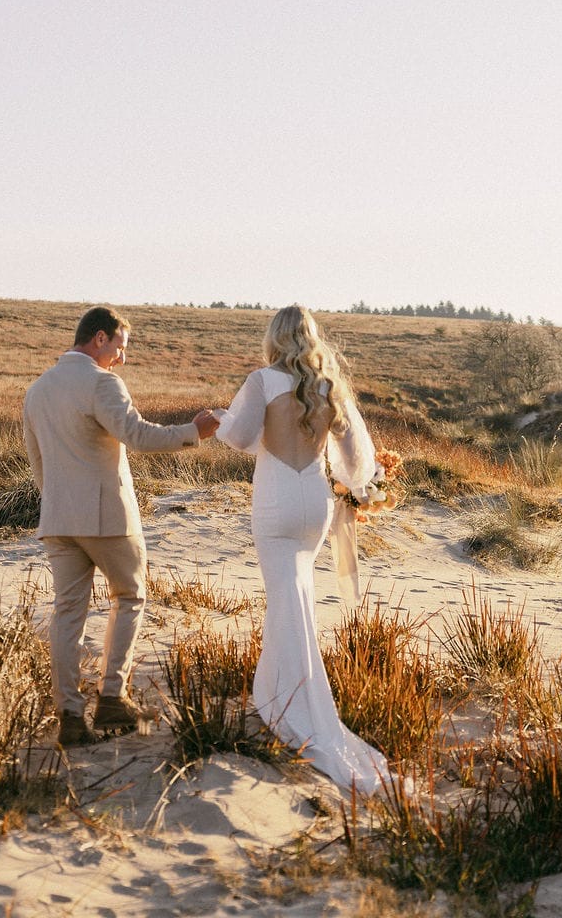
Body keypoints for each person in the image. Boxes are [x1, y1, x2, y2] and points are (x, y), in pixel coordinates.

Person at [213, 304, 395, 795]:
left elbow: (237, 436)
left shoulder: (261, 380)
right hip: (314, 501)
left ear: (274, 336)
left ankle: (294, 705)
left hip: (275, 500)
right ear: (312, 338)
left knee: (286, 597)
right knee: (295, 597)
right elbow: (358, 462)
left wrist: (217, 417)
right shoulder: (328, 386)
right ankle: (277, 693)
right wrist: (355, 486)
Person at [23, 305, 218, 747]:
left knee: (67, 613)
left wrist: (57, 501)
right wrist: (194, 431)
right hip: (107, 516)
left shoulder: (37, 390)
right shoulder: (102, 382)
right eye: (120, 347)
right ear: (99, 339)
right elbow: (139, 435)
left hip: (57, 518)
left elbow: (37, 461)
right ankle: (113, 696)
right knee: (129, 596)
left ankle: (70, 715)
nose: (122, 358)